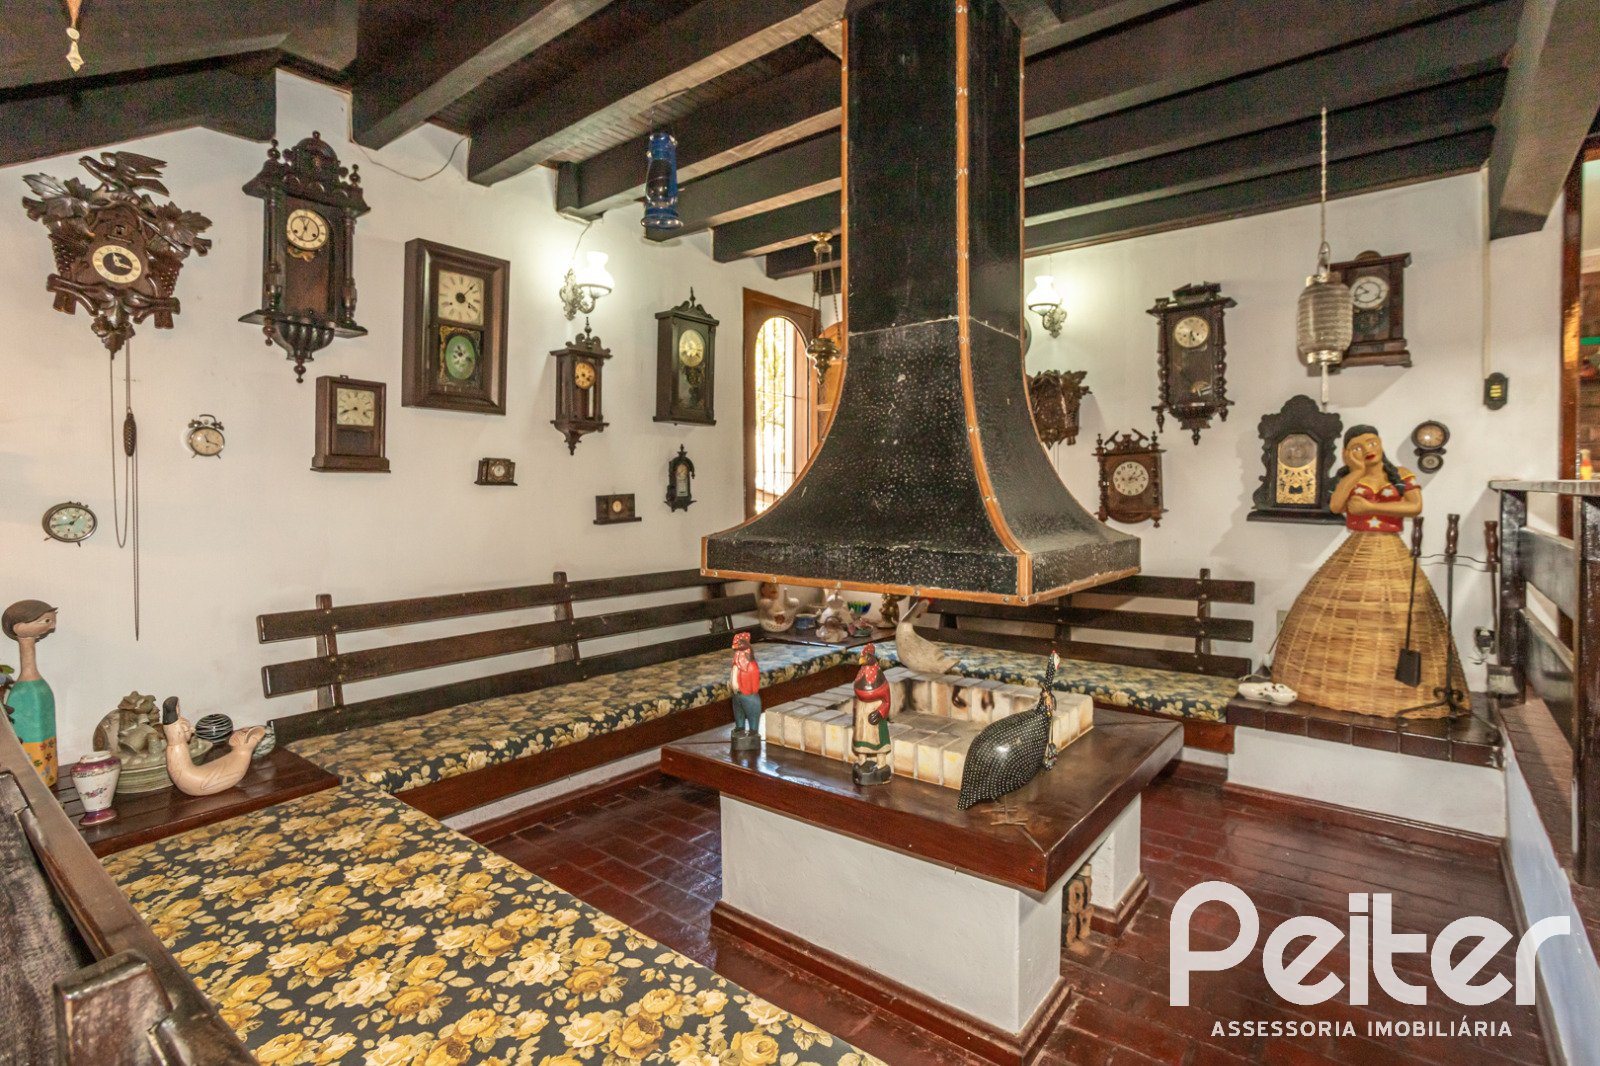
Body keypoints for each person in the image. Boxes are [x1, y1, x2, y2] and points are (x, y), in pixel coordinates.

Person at [1272, 426, 1464, 717]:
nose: (1368, 450)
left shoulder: (1400, 475)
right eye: (1358, 448)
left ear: (1380, 443)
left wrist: (1370, 506)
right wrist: (1356, 471)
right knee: (1335, 618)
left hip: (1390, 549)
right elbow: (1336, 505)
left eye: (1372, 443)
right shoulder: (1352, 478)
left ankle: (1396, 694)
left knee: (1396, 620)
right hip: (1356, 548)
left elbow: (1414, 506)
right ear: (1348, 453)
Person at [3, 600, 59, 785]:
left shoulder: (37, 689)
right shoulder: (25, 692)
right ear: (18, 627)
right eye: (46, 621)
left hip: (48, 774)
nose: (52, 626)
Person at [729, 633, 762, 751]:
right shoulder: (736, 662)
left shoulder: (751, 665)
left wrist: (751, 691)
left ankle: (753, 731)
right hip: (736, 694)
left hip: (748, 694)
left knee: (752, 713)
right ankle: (740, 727)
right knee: (738, 712)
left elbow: (754, 681)